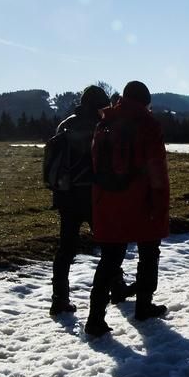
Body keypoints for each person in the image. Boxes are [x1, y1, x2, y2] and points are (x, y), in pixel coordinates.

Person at [85, 80, 171, 337]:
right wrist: (160, 205)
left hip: (108, 199)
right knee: (148, 253)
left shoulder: (104, 122)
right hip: (141, 200)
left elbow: (96, 162)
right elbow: (157, 171)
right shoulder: (148, 124)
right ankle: (144, 306)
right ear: (146, 102)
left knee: (109, 259)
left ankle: (95, 319)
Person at [49, 85, 124, 316]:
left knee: (66, 249)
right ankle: (117, 288)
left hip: (65, 195)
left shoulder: (65, 124)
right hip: (92, 195)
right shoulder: (101, 126)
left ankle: (59, 299)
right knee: (111, 245)